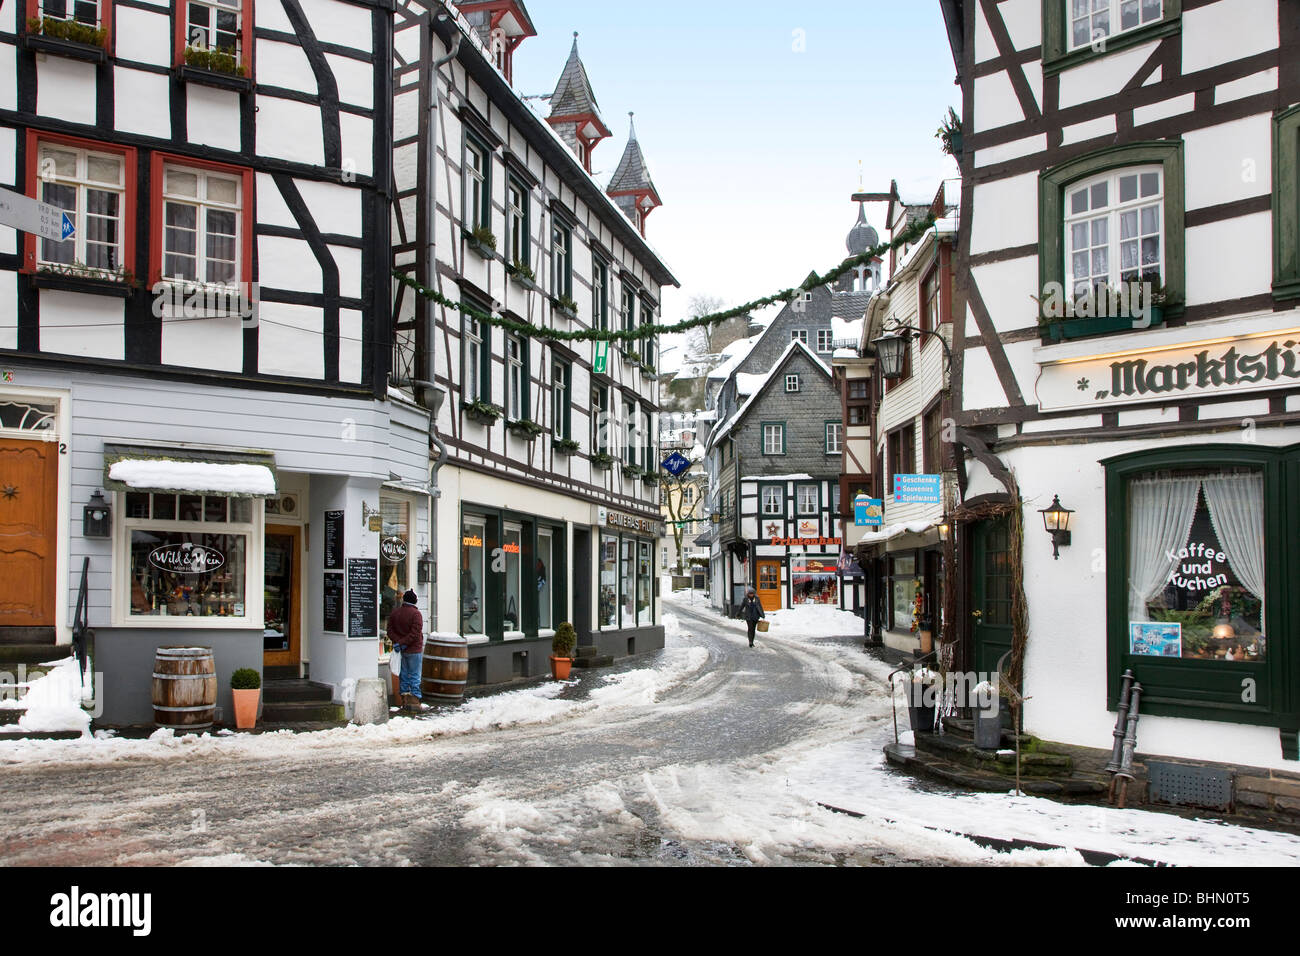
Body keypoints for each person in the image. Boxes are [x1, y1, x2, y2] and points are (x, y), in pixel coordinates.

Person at [388, 589, 425, 712]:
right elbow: (415, 633)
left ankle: (404, 700)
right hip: (414, 650)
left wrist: (399, 643)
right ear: (414, 601)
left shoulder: (395, 613)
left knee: (403, 675)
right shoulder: (416, 614)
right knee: (414, 675)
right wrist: (404, 643)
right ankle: (414, 702)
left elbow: (390, 631)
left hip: (401, 651)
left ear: (404, 600)